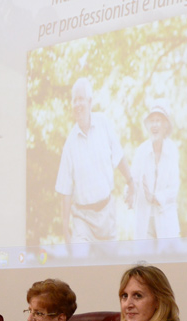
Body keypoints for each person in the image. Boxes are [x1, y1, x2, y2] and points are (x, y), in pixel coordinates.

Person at [55, 77, 135, 243]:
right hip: (82, 219)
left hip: (107, 213)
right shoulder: (70, 144)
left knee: (111, 266)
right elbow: (66, 190)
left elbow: (118, 156)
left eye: (81, 99)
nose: (77, 104)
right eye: (74, 100)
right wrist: (65, 230)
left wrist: (131, 182)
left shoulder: (104, 124)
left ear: (90, 101)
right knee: (80, 263)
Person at [132, 99, 180, 239]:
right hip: (145, 220)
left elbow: (173, 189)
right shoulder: (141, 151)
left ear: (165, 125)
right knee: (146, 259)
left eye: (158, 120)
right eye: (152, 121)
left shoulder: (172, 151)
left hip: (166, 221)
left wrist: (155, 198)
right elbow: (133, 180)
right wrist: (129, 192)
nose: (155, 125)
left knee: (168, 259)